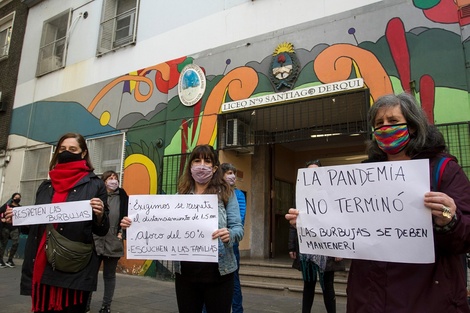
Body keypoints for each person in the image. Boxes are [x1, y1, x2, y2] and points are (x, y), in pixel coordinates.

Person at [286, 93, 470, 312]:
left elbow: (466, 235)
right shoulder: (364, 174)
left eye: (393, 121)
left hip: (428, 299)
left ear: (412, 126)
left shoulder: (444, 170)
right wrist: (313, 224)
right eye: (379, 123)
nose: (385, 127)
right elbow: (347, 224)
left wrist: (449, 220)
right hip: (369, 298)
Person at [120, 144, 244, 313]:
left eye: (207, 161)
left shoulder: (226, 194)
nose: (201, 165)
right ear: (191, 166)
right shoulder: (180, 197)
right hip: (186, 275)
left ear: (215, 168)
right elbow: (159, 226)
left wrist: (229, 234)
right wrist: (133, 225)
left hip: (220, 273)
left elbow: (238, 228)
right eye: (197, 160)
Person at [5, 132, 109, 313]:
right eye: (62, 149)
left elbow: (102, 230)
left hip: (73, 264)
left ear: (83, 153)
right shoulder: (46, 186)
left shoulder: (95, 185)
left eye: (72, 149)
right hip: (42, 262)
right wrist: (17, 218)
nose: (67, 152)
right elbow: (35, 224)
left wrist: (100, 215)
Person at [288, 159, 344, 313]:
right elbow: (294, 221)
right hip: (307, 251)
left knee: (328, 287)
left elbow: (339, 222)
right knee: (308, 286)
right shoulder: (301, 195)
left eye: (315, 171)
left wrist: (339, 248)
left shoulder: (331, 195)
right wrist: (292, 245)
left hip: (326, 250)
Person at [87, 170, 129, 313]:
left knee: (109, 276)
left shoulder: (123, 196)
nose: (113, 180)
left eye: (115, 178)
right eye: (110, 178)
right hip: (95, 241)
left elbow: (127, 216)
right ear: (104, 181)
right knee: (90, 274)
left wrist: (121, 234)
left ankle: (106, 305)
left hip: (113, 242)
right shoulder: (97, 196)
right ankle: (86, 303)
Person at [220, 163, 246, 313]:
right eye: (229, 173)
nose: (233, 176)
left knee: (233, 281)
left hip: (230, 245)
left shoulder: (238, 195)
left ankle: (237, 310)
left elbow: (239, 220)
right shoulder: (213, 192)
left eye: (234, 173)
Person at [0, 192, 22, 268]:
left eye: (19, 197)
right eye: (16, 197)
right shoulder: (6, 206)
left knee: (16, 243)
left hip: (15, 228)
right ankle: (0, 260)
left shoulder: (20, 208)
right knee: (3, 244)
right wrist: (1, 219)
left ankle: (10, 260)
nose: (18, 199)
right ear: (13, 198)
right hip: (6, 228)